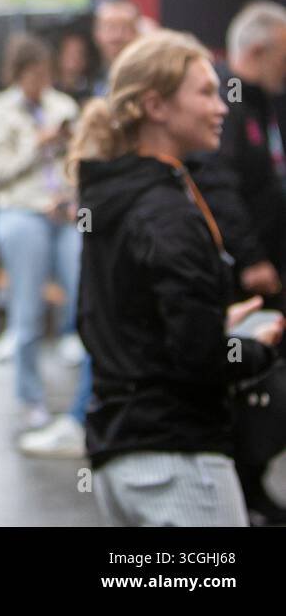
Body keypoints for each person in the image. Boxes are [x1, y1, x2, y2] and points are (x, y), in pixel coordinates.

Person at [71, 30, 284, 525]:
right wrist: (260, 345)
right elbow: (200, 356)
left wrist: (213, 314)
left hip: (120, 462)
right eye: (205, 93)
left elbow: (111, 320)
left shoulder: (112, 198)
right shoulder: (165, 210)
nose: (222, 107)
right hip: (179, 464)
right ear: (156, 106)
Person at [187, 0, 286, 521]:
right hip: (244, 272)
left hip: (266, 261)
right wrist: (249, 256)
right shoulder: (228, 101)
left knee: (264, 379)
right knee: (247, 380)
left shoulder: (262, 101)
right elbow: (220, 187)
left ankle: (250, 483)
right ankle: (241, 488)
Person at [0, 34, 82, 437]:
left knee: (84, 289)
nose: (41, 81)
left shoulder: (64, 107)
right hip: (19, 211)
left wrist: (71, 196)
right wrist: (38, 144)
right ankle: (30, 399)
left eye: (46, 73)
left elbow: (77, 165)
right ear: (18, 73)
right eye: (33, 74)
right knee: (28, 309)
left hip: (63, 213)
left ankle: (81, 407)